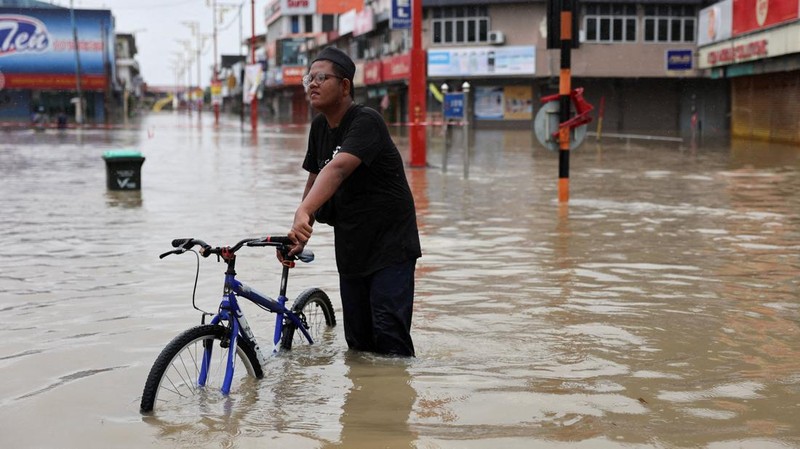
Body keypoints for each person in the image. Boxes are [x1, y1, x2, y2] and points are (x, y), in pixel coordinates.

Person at [286, 46, 421, 357]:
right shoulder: (320, 126)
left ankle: (394, 400)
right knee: (358, 342)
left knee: (389, 336)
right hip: (352, 244)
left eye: (322, 77)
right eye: (310, 78)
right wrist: (301, 230)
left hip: (391, 245)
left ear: (345, 85)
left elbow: (337, 169)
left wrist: (304, 210)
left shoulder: (366, 121)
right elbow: (316, 176)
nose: (313, 84)